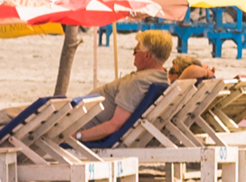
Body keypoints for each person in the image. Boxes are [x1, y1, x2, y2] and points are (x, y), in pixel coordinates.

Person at [77, 29, 212, 142]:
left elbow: (114, 125)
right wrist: (206, 71)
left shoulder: (138, 83)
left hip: (76, 127)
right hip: (78, 119)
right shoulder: (161, 79)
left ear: (147, 56)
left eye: (136, 51)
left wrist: (76, 136)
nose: (133, 55)